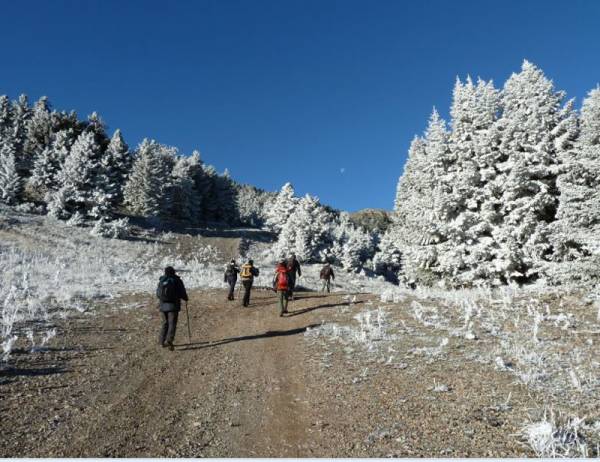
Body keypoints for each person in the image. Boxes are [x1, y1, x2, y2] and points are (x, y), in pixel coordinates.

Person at [156, 266, 188, 351]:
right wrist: (186, 298)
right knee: (172, 324)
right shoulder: (177, 280)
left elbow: (158, 294)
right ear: (173, 272)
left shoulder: (162, 280)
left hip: (163, 306)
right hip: (173, 306)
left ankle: (161, 341)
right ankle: (169, 341)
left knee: (165, 323)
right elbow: (182, 292)